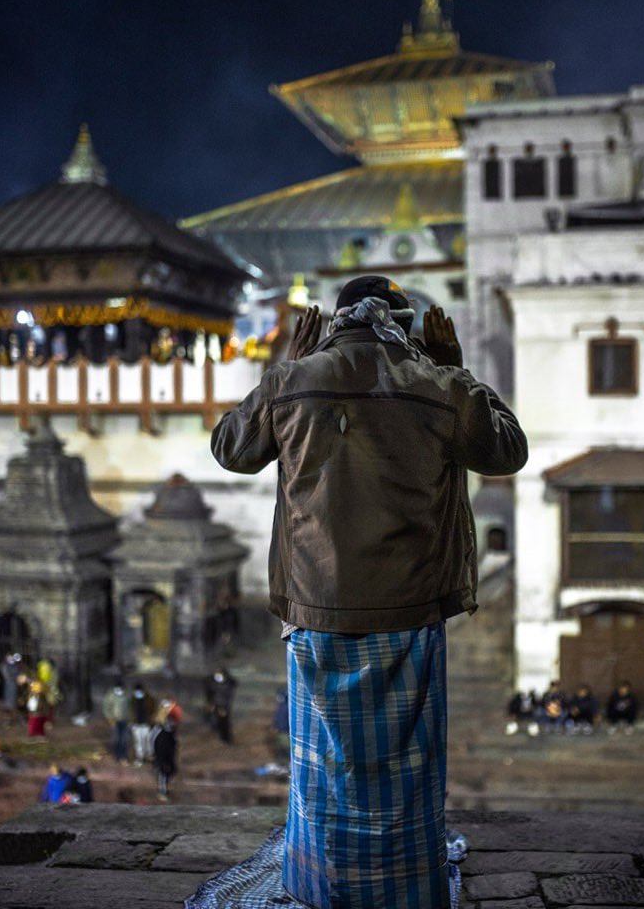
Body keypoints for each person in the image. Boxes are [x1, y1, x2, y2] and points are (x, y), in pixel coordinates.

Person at [210, 277, 527, 909]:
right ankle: (401, 882)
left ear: (332, 323)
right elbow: (508, 450)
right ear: (406, 326)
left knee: (322, 762)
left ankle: (318, 880)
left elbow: (231, 449)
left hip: (316, 604)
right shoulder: (438, 387)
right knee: (406, 763)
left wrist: (287, 366)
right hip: (410, 606)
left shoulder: (295, 380)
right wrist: (456, 370)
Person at [102, 678, 131, 762]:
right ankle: (116, 755)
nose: (119, 690)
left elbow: (130, 708)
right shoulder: (110, 695)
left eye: (121, 688)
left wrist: (130, 719)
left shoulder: (127, 694)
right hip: (114, 720)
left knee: (125, 739)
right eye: (118, 688)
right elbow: (106, 708)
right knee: (116, 739)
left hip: (125, 720)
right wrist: (110, 719)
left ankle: (124, 755)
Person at [206, 667, 237, 744]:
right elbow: (210, 693)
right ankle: (220, 733)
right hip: (216, 703)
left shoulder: (228, 683)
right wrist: (211, 703)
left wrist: (223, 707)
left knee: (224, 721)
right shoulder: (213, 682)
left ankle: (226, 738)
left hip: (224, 704)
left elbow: (228, 693)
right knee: (216, 719)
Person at [130, 681, 155, 766]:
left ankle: (149, 757)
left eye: (139, 691)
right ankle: (139, 758)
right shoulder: (132, 700)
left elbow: (153, 711)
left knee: (148, 741)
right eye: (136, 691)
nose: (138, 693)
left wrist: (151, 720)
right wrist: (131, 722)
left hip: (146, 724)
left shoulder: (149, 699)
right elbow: (130, 712)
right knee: (138, 742)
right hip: (136, 725)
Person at [152, 718, 177, 801]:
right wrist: (159, 759)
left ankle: (164, 789)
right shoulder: (161, 734)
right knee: (162, 773)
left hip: (169, 757)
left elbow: (173, 747)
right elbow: (157, 746)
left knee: (171, 771)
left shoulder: (171, 735)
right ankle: (162, 791)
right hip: (161, 756)